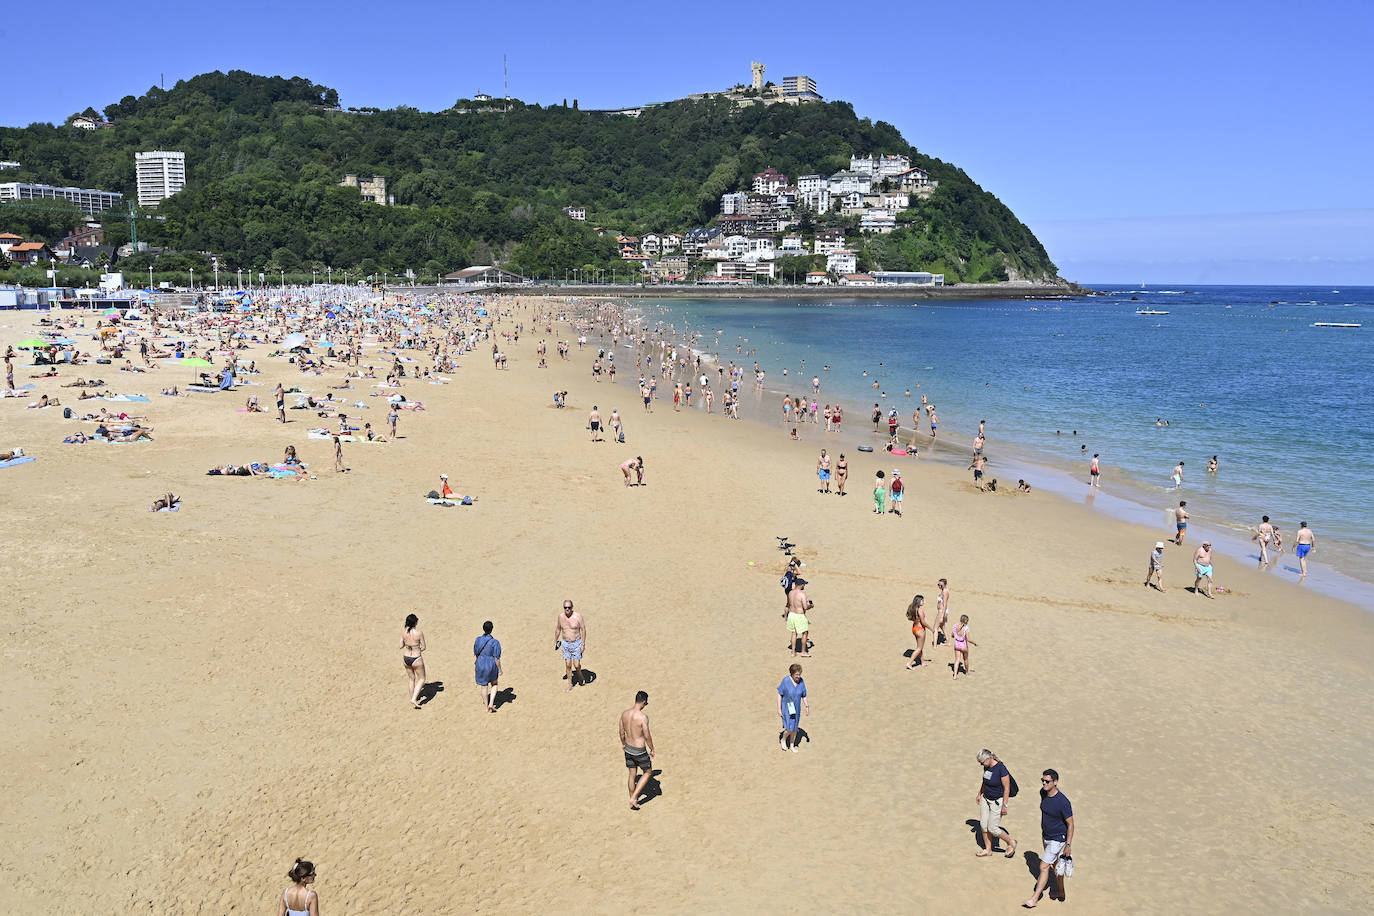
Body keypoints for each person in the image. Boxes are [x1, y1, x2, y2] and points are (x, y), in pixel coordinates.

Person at [1023, 769, 1074, 908]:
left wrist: (1068, 844)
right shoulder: (1043, 793)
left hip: (1058, 839)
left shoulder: (1063, 802)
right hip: (1046, 836)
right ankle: (1060, 891)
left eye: (1047, 781)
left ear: (1055, 782)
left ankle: (1035, 898)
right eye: (1043, 780)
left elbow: (1070, 824)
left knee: (1043, 866)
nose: (1044, 783)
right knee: (1055, 865)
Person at [975, 749, 1017, 858]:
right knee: (984, 825)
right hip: (985, 799)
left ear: (989, 759)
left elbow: (1006, 788)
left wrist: (1005, 805)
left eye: (982, 762)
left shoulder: (1001, 769)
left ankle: (1011, 842)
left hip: (997, 802)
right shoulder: (987, 766)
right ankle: (988, 850)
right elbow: (984, 781)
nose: (981, 764)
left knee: (992, 828)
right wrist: (980, 794)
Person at [619, 691, 655, 810]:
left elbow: (621, 732)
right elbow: (647, 735)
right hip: (639, 750)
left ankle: (632, 801)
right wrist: (652, 748)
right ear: (644, 702)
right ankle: (634, 797)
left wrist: (623, 744)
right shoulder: (642, 717)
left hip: (628, 748)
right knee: (648, 772)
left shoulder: (624, 714)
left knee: (632, 774)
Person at [777, 663, 809, 754]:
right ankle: (783, 740)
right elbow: (779, 694)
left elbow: (804, 695)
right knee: (789, 728)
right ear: (791, 673)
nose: (798, 677)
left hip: (796, 708)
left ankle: (792, 745)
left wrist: (807, 706)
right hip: (787, 707)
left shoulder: (801, 682)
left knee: (795, 728)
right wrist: (779, 709)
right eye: (796, 675)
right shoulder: (786, 681)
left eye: (799, 674)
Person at [555, 599, 586, 691]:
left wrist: (583, 644)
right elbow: (558, 629)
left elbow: (583, 630)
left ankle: (580, 675)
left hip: (576, 643)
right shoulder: (561, 617)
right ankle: (570, 684)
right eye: (565, 607)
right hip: (565, 643)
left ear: (572, 607)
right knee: (568, 664)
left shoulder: (578, 617)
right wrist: (555, 641)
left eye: (569, 607)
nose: (567, 609)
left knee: (576, 665)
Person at [473, 620, 503, 712]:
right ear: (491, 629)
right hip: (491, 664)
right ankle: (491, 703)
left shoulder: (478, 640)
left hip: (480, 663)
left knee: (484, 686)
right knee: (494, 683)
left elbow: (476, 653)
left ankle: (486, 707)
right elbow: (496, 658)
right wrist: (500, 669)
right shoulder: (495, 642)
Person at [400, 614, 427, 709]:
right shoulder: (419, 633)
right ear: (415, 622)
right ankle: (414, 699)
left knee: (411, 678)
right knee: (422, 679)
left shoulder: (403, 632)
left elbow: (400, 645)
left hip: (405, 657)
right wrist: (417, 648)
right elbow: (424, 647)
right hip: (416, 658)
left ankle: (412, 697)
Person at [904, 594, 929, 669]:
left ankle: (923, 662)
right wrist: (931, 629)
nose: (923, 602)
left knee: (919, 646)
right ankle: (909, 663)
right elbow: (923, 622)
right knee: (919, 648)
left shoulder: (912, 608)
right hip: (920, 629)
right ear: (919, 601)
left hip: (914, 628)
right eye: (922, 600)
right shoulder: (920, 610)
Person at [952, 614, 976, 679]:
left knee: (957, 660)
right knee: (965, 659)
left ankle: (955, 675)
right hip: (963, 645)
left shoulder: (955, 625)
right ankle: (967, 672)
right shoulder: (966, 628)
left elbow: (952, 635)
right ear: (966, 621)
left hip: (956, 644)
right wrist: (974, 643)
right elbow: (968, 639)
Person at [935, 578, 951, 645]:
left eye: (941, 585)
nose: (939, 586)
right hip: (942, 611)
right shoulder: (944, 590)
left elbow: (945, 604)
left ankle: (935, 645)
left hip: (942, 611)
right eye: (938, 585)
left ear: (945, 585)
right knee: (942, 626)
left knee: (935, 628)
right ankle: (948, 641)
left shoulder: (944, 592)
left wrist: (942, 615)